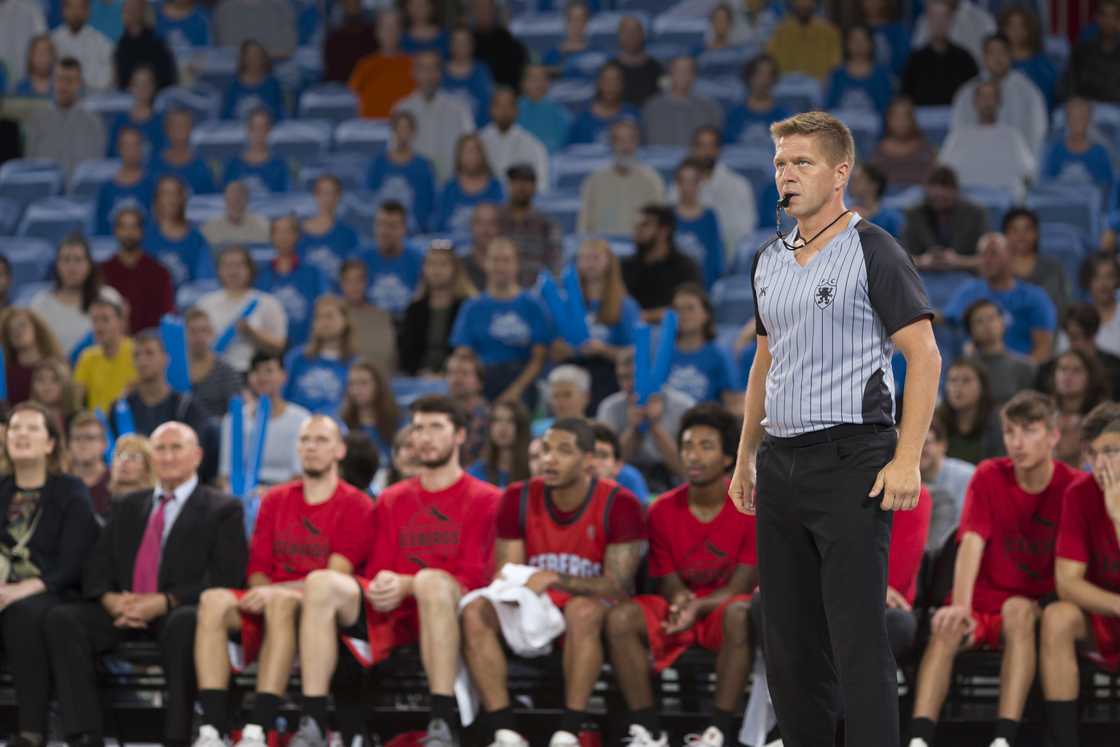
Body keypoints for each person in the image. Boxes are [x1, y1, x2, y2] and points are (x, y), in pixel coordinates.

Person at [730, 111, 940, 747]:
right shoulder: (768, 261)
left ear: (840, 171)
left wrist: (907, 460)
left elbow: (925, 356)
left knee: (855, 636)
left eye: (801, 163)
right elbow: (764, 365)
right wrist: (745, 460)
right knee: (788, 641)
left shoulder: (873, 248)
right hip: (783, 460)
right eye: (779, 164)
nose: (785, 176)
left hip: (853, 456)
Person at [292, 396, 501, 747]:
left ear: (460, 436)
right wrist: (383, 584)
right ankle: (312, 720)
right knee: (321, 583)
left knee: (432, 582)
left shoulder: (487, 498)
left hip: (451, 609)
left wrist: (409, 584)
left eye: (437, 427)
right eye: (419, 428)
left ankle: (441, 722)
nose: (426, 437)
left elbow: (473, 578)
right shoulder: (391, 498)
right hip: (393, 610)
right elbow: (378, 568)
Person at [45, 422, 245, 747]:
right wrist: (112, 601)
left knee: (186, 623)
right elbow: (97, 565)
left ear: (197, 456)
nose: (166, 457)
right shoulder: (127, 505)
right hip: (124, 610)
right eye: (160, 449)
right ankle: (85, 734)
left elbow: (226, 577)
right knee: (63, 619)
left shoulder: (222, 508)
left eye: (175, 448)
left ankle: (176, 735)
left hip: (177, 609)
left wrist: (164, 601)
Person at [906, 392, 1080, 747]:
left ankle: (1003, 738)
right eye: (1010, 432)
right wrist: (962, 606)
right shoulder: (988, 475)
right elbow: (971, 543)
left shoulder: (1072, 487)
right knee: (947, 626)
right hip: (983, 598)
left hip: (1031, 603)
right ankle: (918, 739)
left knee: (1017, 612)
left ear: (1053, 435)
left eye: (1029, 431)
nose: (1017, 442)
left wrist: (1044, 604)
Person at [463, 417, 644, 747]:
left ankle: (569, 731)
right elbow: (508, 572)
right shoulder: (516, 497)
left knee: (582, 611)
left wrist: (555, 579)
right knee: (476, 609)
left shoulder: (620, 503)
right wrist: (534, 584)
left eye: (563, 451)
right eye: (545, 450)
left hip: (592, 608)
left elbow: (616, 585)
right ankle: (504, 731)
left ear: (588, 460)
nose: (549, 459)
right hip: (536, 602)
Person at [192, 415, 372, 747]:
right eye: (305, 440)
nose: (311, 448)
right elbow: (258, 566)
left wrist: (272, 592)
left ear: (340, 450)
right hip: (269, 595)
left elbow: (335, 575)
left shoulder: (356, 503)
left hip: (320, 609)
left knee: (283, 601)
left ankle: (258, 728)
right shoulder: (275, 499)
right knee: (212, 600)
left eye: (321, 440)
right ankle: (212, 730)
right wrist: (264, 591)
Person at [607, 404, 756, 747]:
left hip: (723, 609)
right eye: (688, 445)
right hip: (682, 608)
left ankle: (718, 731)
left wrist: (697, 608)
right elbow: (668, 577)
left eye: (706, 446)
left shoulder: (749, 507)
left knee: (739, 613)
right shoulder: (661, 510)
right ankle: (648, 730)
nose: (693, 455)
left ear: (727, 459)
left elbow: (741, 586)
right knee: (621, 618)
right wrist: (680, 602)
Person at [0, 403, 98, 747]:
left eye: (31, 429)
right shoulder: (1, 490)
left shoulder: (69, 490)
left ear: (50, 443)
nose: (21, 435)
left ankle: (31, 730)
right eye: (15, 429)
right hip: (4, 592)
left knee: (22, 614)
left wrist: (23, 588)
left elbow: (75, 559)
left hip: (55, 591)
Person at [1040, 403, 1120, 747]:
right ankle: (1064, 740)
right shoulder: (1080, 494)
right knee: (1057, 616)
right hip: (1105, 613)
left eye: (1112, 452)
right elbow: (1068, 583)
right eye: (1095, 453)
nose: (1102, 463)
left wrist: (1117, 517)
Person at [451, 238, 551, 404]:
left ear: (516, 264)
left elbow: (538, 359)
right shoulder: (472, 308)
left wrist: (515, 391)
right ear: (485, 263)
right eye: (495, 260)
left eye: (506, 260)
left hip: (522, 380)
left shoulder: (534, 306)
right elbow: (464, 353)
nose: (500, 266)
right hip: (482, 379)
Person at [552, 238, 639, 408]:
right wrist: (570, 349)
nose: (589, 264)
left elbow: (633, 352)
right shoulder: (566, 302)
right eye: (584, 258)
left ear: (608, 261)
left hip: (607, 375)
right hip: (573, 373)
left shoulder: (625, 305)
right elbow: (554, 348)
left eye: (595, 258)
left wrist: (603, 349)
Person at [944, 232, 1057, 363]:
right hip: (976, 370)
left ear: (1010, 256)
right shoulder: (969, 291)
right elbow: (945, 317)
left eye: (993, 253)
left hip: (1019, 372)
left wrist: (1023, 373)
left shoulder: (1035, 297)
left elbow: (1043, 349)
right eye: (982, 254)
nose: (986, 260)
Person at [597, 346, 694, 494]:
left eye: (635, 377)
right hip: (624, 484)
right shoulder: (609, 407)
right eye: (623, 377)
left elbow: (685, 470)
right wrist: (633, 428)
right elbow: (607, 467)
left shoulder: (684, 406)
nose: (628, 385)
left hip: (674, 484)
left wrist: (655, 426)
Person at [218, 352, 309, 493]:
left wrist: (269, 493)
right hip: (242, 494)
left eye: (269, 371)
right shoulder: (232, 420)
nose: (262, 377)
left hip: (285, 493)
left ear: (283, 376)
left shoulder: (301, 420)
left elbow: (300, 474)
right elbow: (225, 473)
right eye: (256, 371)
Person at [951, 33, 1048, 157]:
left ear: (1010, 55)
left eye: (1002, 52)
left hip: (1016, 162)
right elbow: (958, 132)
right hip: (976, 159)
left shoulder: (1029, 92)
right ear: (984, 57)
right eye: (992, 53)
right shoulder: (967, 93)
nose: (998, 58)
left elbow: (1037, 134)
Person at [107, 330, 212, 443]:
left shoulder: (186, 408)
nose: (142, 361)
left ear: (165, 359)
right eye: (136, 355)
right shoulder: (120, 408)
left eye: (149, 353)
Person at [940, 80, 1037, 202]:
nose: (987, 102)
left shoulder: (1012, 136)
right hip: (966, 203)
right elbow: (943, 172)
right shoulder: (958, 136)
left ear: (999, 102)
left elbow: (1029, 173)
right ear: (974, 102)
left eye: (992, 96)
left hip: (1004, 201)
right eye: (983, 96)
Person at [197, 245, 288, 374]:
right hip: (212, 372)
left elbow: (279, 346)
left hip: (252, 373)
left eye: (239, 265)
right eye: (227, 266)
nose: (233, 271)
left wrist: (251, 332)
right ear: (218, 270)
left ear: (250, 269)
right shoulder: (205, 303)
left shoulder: (268, 302)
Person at [30, 237, 124, 359]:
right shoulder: (40, 304)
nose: (72, 267)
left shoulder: (109, 297)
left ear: (89, 265)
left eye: (78, 260)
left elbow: (121, 343)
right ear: (57, 265)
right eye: (66, 260)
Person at [394, 50, 474, 186]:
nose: (428, 75)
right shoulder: (401, 108)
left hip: (451, 185)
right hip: (413, 186)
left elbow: (470, 149)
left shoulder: (459, 108)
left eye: (433, 69)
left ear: (440, 74)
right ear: (414, 73)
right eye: (423, 69)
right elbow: (394, 152)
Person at [676, 126, 757, 254]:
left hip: (725, 257)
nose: (705, 151)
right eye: (700, 146)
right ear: (692, 149)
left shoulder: (739, 186)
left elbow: (744, 233)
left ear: (719, 150)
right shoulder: (678, 186)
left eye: (710, 146)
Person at [578, 120, 664, 237]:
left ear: (637, 143)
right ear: (612, 144)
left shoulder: (652, 180)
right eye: (620, 141)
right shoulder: (594, 181)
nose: (625, 147)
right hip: (602, 250)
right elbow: (583, 226)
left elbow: (659, 225)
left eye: (630, 140)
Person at [399, 244, 474, 375]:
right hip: (418, 379)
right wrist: (420, 372)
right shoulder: (414, 309)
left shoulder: (466, 307)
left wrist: (446, 374)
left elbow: (468, 350)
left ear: (455, 269)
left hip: (457, 377)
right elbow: (406, 352)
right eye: (431, 264)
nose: (436, 270)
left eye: (443, 264)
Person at [26, 57, 106, 180]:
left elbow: (95, 171)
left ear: (79, 83)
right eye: (59, 79)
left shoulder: (94, 124)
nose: (63, 86)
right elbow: (30, 169)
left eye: (69, 81)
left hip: (80, 197)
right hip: (44, 197)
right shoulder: (37, 121)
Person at [100, 207, 175, 334]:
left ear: (141, 231)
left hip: (151, 344)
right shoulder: (102, 272)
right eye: (124, 227)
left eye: (133, 227)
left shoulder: (159, 272)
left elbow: (167, 317)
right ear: (115, 231)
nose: (128, 233)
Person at [622, 205, 703, 323]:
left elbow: (691, 307)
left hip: (674, 333)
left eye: (645, 225)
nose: (637, 230)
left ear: (663, 231)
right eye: (636, 225)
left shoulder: (685, 267)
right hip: (630, 333)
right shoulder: (627, 266)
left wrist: (647, 316)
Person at [256, 215, 328, 348]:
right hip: (269, 347)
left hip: (306, 347)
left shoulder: (313, 273)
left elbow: (324, 307)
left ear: (297, 236)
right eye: (278, 232)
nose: (283, 237)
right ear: (272, 236)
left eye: (288, 232)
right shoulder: (260, 274)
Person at [667, 284, 739, 410]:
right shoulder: (662, 355)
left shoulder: (718, 355)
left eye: (690, 308)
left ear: (705, 315)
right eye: (677, 310)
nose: (682, 314)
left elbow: (732, 404)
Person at [366, 109, 437, 232]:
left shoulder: (424, 166)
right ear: (393, 131)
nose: (402, 134)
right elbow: (368, 198)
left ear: (413, 133)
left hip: (415, 232)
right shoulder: (378, 163)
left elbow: (431, 205)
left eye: (406, 129)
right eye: (399, 128)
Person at [903, 165, 987, 268]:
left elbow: (986, 258)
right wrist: (922, 260)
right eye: (935, 188)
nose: (940, 193)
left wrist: (959, 261)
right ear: (926, 190)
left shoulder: (975, 214)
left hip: (965, 275)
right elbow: (903, 259)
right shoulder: (914, 214)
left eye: (945, 187)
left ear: (956, 190)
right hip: (924, 276)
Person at [282, 295, 354, 416]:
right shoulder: (296, 358)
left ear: (345, 320)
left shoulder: (354, 363)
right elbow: (282, 396)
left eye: (329, 316)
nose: (323, 322)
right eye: (318, 317)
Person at [902, 0, 979, 106]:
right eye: (935, 18)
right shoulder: (914, 60)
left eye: (944, 18)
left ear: (951, 22)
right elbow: (906, 95)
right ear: (928, 22)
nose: (939, 23)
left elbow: (973, 93)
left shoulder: (965, 58)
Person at [357, 200, 425, 319]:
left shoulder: (419, 261)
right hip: (369, 325)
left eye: (392, 226)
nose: (384, 231)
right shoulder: (359, 259)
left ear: (404, 229)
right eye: (380, 224)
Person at [1041, 96, 1116, 204]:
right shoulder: (1055, 150)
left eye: (1081, 118)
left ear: (1089, 119)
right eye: (1072, 117)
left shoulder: (1100, 153)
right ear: (1066, 119)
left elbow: (1108, 190)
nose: (1077, 123)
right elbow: (1046, 184)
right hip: (1059, 205)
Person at [145, 175, 216, 287]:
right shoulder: (144, 237)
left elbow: (204, 283)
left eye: (175, 193)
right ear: (156, 199)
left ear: (183, 198)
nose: (170, 199)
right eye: (165, 193)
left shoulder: (197, 240)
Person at [496, 165, 561, 287]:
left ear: (535, 187)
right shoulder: (495, 220)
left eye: (526, 181)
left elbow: (555, 264)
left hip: (536, 292)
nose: (521, 187)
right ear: (508, 186)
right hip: (500, 289)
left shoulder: (547, 224)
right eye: (516, 181)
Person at [962, 299, 1037, 405]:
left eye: (991, 318)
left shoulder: (1025, 367)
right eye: (979, 321)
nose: (987, 325)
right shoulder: (965, 370)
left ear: (1002, 323)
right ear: (970, 330)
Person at [640, 56, 722, 148]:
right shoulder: (651, 107)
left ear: (694, 75)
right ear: (670, 74)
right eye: (678, 70)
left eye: (688, 71)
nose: (683, 75)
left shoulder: (710, 107)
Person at [1047, 350, 1110, 467]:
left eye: (1077, 370)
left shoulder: (1103, 421)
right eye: (1062, 369)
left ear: (1090, 377)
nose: (1068, 376)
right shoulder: (1042, 414)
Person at [935, 359, 1005, 464]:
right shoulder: (936, 420)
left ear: (982, 386)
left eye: (966, 380)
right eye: (953, 380)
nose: (958, 387)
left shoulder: (998, 421)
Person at [921, 416, 976, 551]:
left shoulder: (968, 476)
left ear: (943, 445)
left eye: (926, 443)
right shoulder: (904, 481)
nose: (919, 450)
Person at [72, 297, 136, 413]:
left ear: (121, 322)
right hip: (96, 427)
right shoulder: (87, 356)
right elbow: (76, 401)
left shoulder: (136, 352)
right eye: (95, 320)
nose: (99, 327)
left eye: (105, 320)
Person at [348, 8, 414, 119]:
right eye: (386, 28)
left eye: (394, 28)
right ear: (377, 32)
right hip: (371, 129)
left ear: (401, 32)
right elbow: (351, 99)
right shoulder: (365, 65)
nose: (390, 33)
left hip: (403, 130)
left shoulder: (413, 65)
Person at [1003, 208, 1069, 317]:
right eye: (1014, 230)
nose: (1021, 236)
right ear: (1005, 235)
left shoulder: (1052, 267)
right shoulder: (999, 270)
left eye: (1027, 229)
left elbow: (1061, 306)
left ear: (1036, 233)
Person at [481, 89, 549, 195]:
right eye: (499, 106)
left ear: (516, 111)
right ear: (491, 110)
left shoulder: (532, 144)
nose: (504, 111)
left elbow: (541, 185)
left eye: (508, 106)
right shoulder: (479, 142)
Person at [432, 133, 503, 234]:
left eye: (475, 151)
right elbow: (439, 225)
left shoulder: (496, 187)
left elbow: (501, 222)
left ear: (482, 155)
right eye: (467, 152)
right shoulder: (449, 189)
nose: (471, 157)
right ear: (459, 156)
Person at [337, 259, 399, 375]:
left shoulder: (382, 316)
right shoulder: (334, 316)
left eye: (359, 280)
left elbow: (391, 356)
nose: (354, 286)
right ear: (341, 283)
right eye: (349, 281)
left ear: (366, 283)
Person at [673, 160, 724, 289]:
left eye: (692, 182)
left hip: (704, 287)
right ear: (678, 185)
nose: (688, 187)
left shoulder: (710, 217)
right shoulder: (668, 217)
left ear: (699, 184)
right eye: (684, 182)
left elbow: (716, 257)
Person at [338, 359, 399, 465]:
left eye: (363, 383)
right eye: (352, 384)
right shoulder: (342, 423)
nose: (356, 389)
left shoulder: (397, 420)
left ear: (378, 385)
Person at [824, 24, 894, 115]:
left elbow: (885, 110)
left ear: (871, 44)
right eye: (854, 40)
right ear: (847, 44)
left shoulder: (882, 75)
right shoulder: (837, 75)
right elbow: (829, 108)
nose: (858, 45)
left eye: (863, 40)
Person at [183, 308, 241, 419]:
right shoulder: (172, 369)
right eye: (193, 331)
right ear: (183, 334)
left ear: (212, 333)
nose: (199, 337)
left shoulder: (227, 371)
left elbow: (235, 414)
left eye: (204, 330)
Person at [95, 126, 154, 235]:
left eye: (135, 145)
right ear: (119, 149)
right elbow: (100, 229)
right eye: (127, 146)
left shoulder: (153, 185)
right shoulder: (106, 189)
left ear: (142, 148)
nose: (131, 151)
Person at [299, 175, 360, 280]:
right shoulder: (298, 233)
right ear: (315, 195)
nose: (327, 198)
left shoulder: (349, 235)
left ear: (339, 196)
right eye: (323, 193)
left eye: (332, 193)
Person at [1059, 0, 1120, 104]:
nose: (1109, 21)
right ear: (1097, 18)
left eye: (1114, 16)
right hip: (1083, 106)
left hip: (1115, 108)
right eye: (1104, 15)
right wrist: (1074, 101)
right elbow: (1068, 82)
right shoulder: (1082, 50)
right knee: (1059, 117)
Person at [870, 97, 937, 190]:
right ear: (888, 119)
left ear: (913, 120)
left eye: (905, 117)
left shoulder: (925, 149)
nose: (901, 122)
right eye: (896, 117)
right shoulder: (878, 151)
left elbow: (933, 181)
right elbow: (872, 184)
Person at [724, 54, 789, 147]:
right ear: (749, 77)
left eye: (769, 75)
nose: (764, 80)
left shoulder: (783, 116)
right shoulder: (735, 114)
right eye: (760, 74)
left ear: (774, 80)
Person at [766, 0, 841, 81]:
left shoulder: (830, 32)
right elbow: (770, 60)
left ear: (815, 4)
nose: (803, 3)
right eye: (799, 2)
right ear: (792, 4)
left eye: (808, 3)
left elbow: (835, 65)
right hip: (785, 85)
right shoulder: (780, 31)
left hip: (819, 86)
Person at [567, 62, 640, 146]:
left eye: (615, 81)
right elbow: (571, 152)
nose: (610, 85)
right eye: (606, 80)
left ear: (622, 84)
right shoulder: (582, 119)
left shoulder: (632, 114)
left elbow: (642, 149)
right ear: (598, 83)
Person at [0, 309, 62, 407]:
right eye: (11, 329)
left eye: (22, 325)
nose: (17, 331)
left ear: (36, 328)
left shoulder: (58, 366)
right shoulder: (5, 372)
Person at [150, 107, 217, 195]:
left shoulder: (203, 167)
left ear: (191, 129)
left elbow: (211, 200)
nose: (180, 129)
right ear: (167, 129)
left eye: (184, 125)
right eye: (175, 125)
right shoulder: (153, 166)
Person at [999, 5, 1056, 108]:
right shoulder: (996, 63)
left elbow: (1048, 99)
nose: (1016, 31)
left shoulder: (1043, 65)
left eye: (1021, 26)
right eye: (1011, 26)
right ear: (1003, 29)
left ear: (1029, 30)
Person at [911, 0, 997, 68]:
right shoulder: (925, 20)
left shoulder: (983, 20)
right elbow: (917, 58)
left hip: (973, 83)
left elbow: (992, 59)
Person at [221, 108, 288, 194]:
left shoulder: (279, 166)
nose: (258, 133)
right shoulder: (233, 165)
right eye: (254, 128)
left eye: (263, 128)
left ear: (269, 130)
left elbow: (285, 199)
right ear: (248, 130)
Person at [114, 0, 176, 92]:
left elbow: (167, 77)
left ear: (142, 11)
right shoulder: (121, 44)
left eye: (135, 9)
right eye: (127, 9)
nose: (131, 12)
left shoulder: (156, 42)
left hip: (157, 95)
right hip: (130, 97)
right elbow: (121, 81)